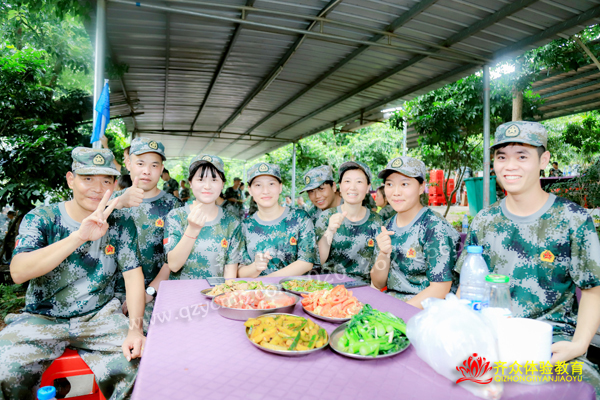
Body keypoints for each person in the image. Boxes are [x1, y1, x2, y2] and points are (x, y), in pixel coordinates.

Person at [455, 121, 600, 393]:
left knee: (582, 388)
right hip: (492, 336)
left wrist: (579, 345)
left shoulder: (573, 220)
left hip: (551, 339)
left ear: (544, 160)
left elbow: (593, 289)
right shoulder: (484, 221)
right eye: (501, 157)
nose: (509, 166)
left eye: (522, 156)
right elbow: (468, 285)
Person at [0, 148, 145, 399]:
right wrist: (79, 237)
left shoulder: (121, 222)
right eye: (88, 178)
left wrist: (135, 329)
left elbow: (133, 277)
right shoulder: (43, 218)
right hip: (42, 318)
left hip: (100, 317)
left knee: (140, 367)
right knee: (5, 371)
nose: (97, 189)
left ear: (114, 185)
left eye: (106, 181)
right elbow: (18, 272)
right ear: (70, 179)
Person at [111, 138, 183, 328]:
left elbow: (173, 259)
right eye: (140, 163)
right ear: (129, 164)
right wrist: (116, 204)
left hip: (156, 293)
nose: (147, 171)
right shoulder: (111, 201)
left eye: (154, 165)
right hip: (112, 295)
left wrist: (148, 293)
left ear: (161, 169)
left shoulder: (173, 206)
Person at [371, 157, 459, 308]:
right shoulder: (386, 226)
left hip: (424, 310)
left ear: (421, 187)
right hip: (392, 303)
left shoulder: (434, 227)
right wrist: (384, 254)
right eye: (390, 184)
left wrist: (396, 314)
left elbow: (440, 288)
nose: (396, 192)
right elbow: (378, 283)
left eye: (404, 184)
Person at [165, 155, 243, 280]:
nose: (207, 186)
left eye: (214, 180)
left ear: (222, 184)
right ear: (190, 183)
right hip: (181, 291)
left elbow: (230, 272)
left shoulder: (232, 222)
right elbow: (173, 265)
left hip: (216, 291)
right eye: (200, 179)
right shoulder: (176, 216)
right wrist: (192, 229)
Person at [238, 163, 316, 278]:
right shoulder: (244, 227)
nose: (265, 191)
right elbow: (240, 272)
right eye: (258, 185)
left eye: (271, 184)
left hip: (295, 288)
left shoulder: (300, 218)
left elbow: (306, 262)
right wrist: (255, 267)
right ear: (250, 190)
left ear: (280, 187)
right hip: (257, 289)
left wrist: (266, 281)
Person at [315, 161, 382, 282]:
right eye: (347, 181)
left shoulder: (377, 222)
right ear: (340, 186)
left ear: (368, 187)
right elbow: (317, 260)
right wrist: (329, 231)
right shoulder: (326, 217)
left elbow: (379, 269)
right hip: (329, 285)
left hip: (363, 287)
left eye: (359, 182)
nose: (352, 187)